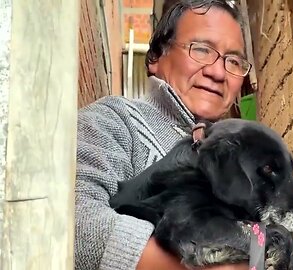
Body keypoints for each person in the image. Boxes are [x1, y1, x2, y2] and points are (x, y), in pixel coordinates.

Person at [74, 1, 252, 269]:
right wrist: (212, 264)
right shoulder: (115, 120)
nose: (217, 72)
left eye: (234, 61)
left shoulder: (242, 154)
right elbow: (75, 222)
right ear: (156, 55)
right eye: (202, 49)